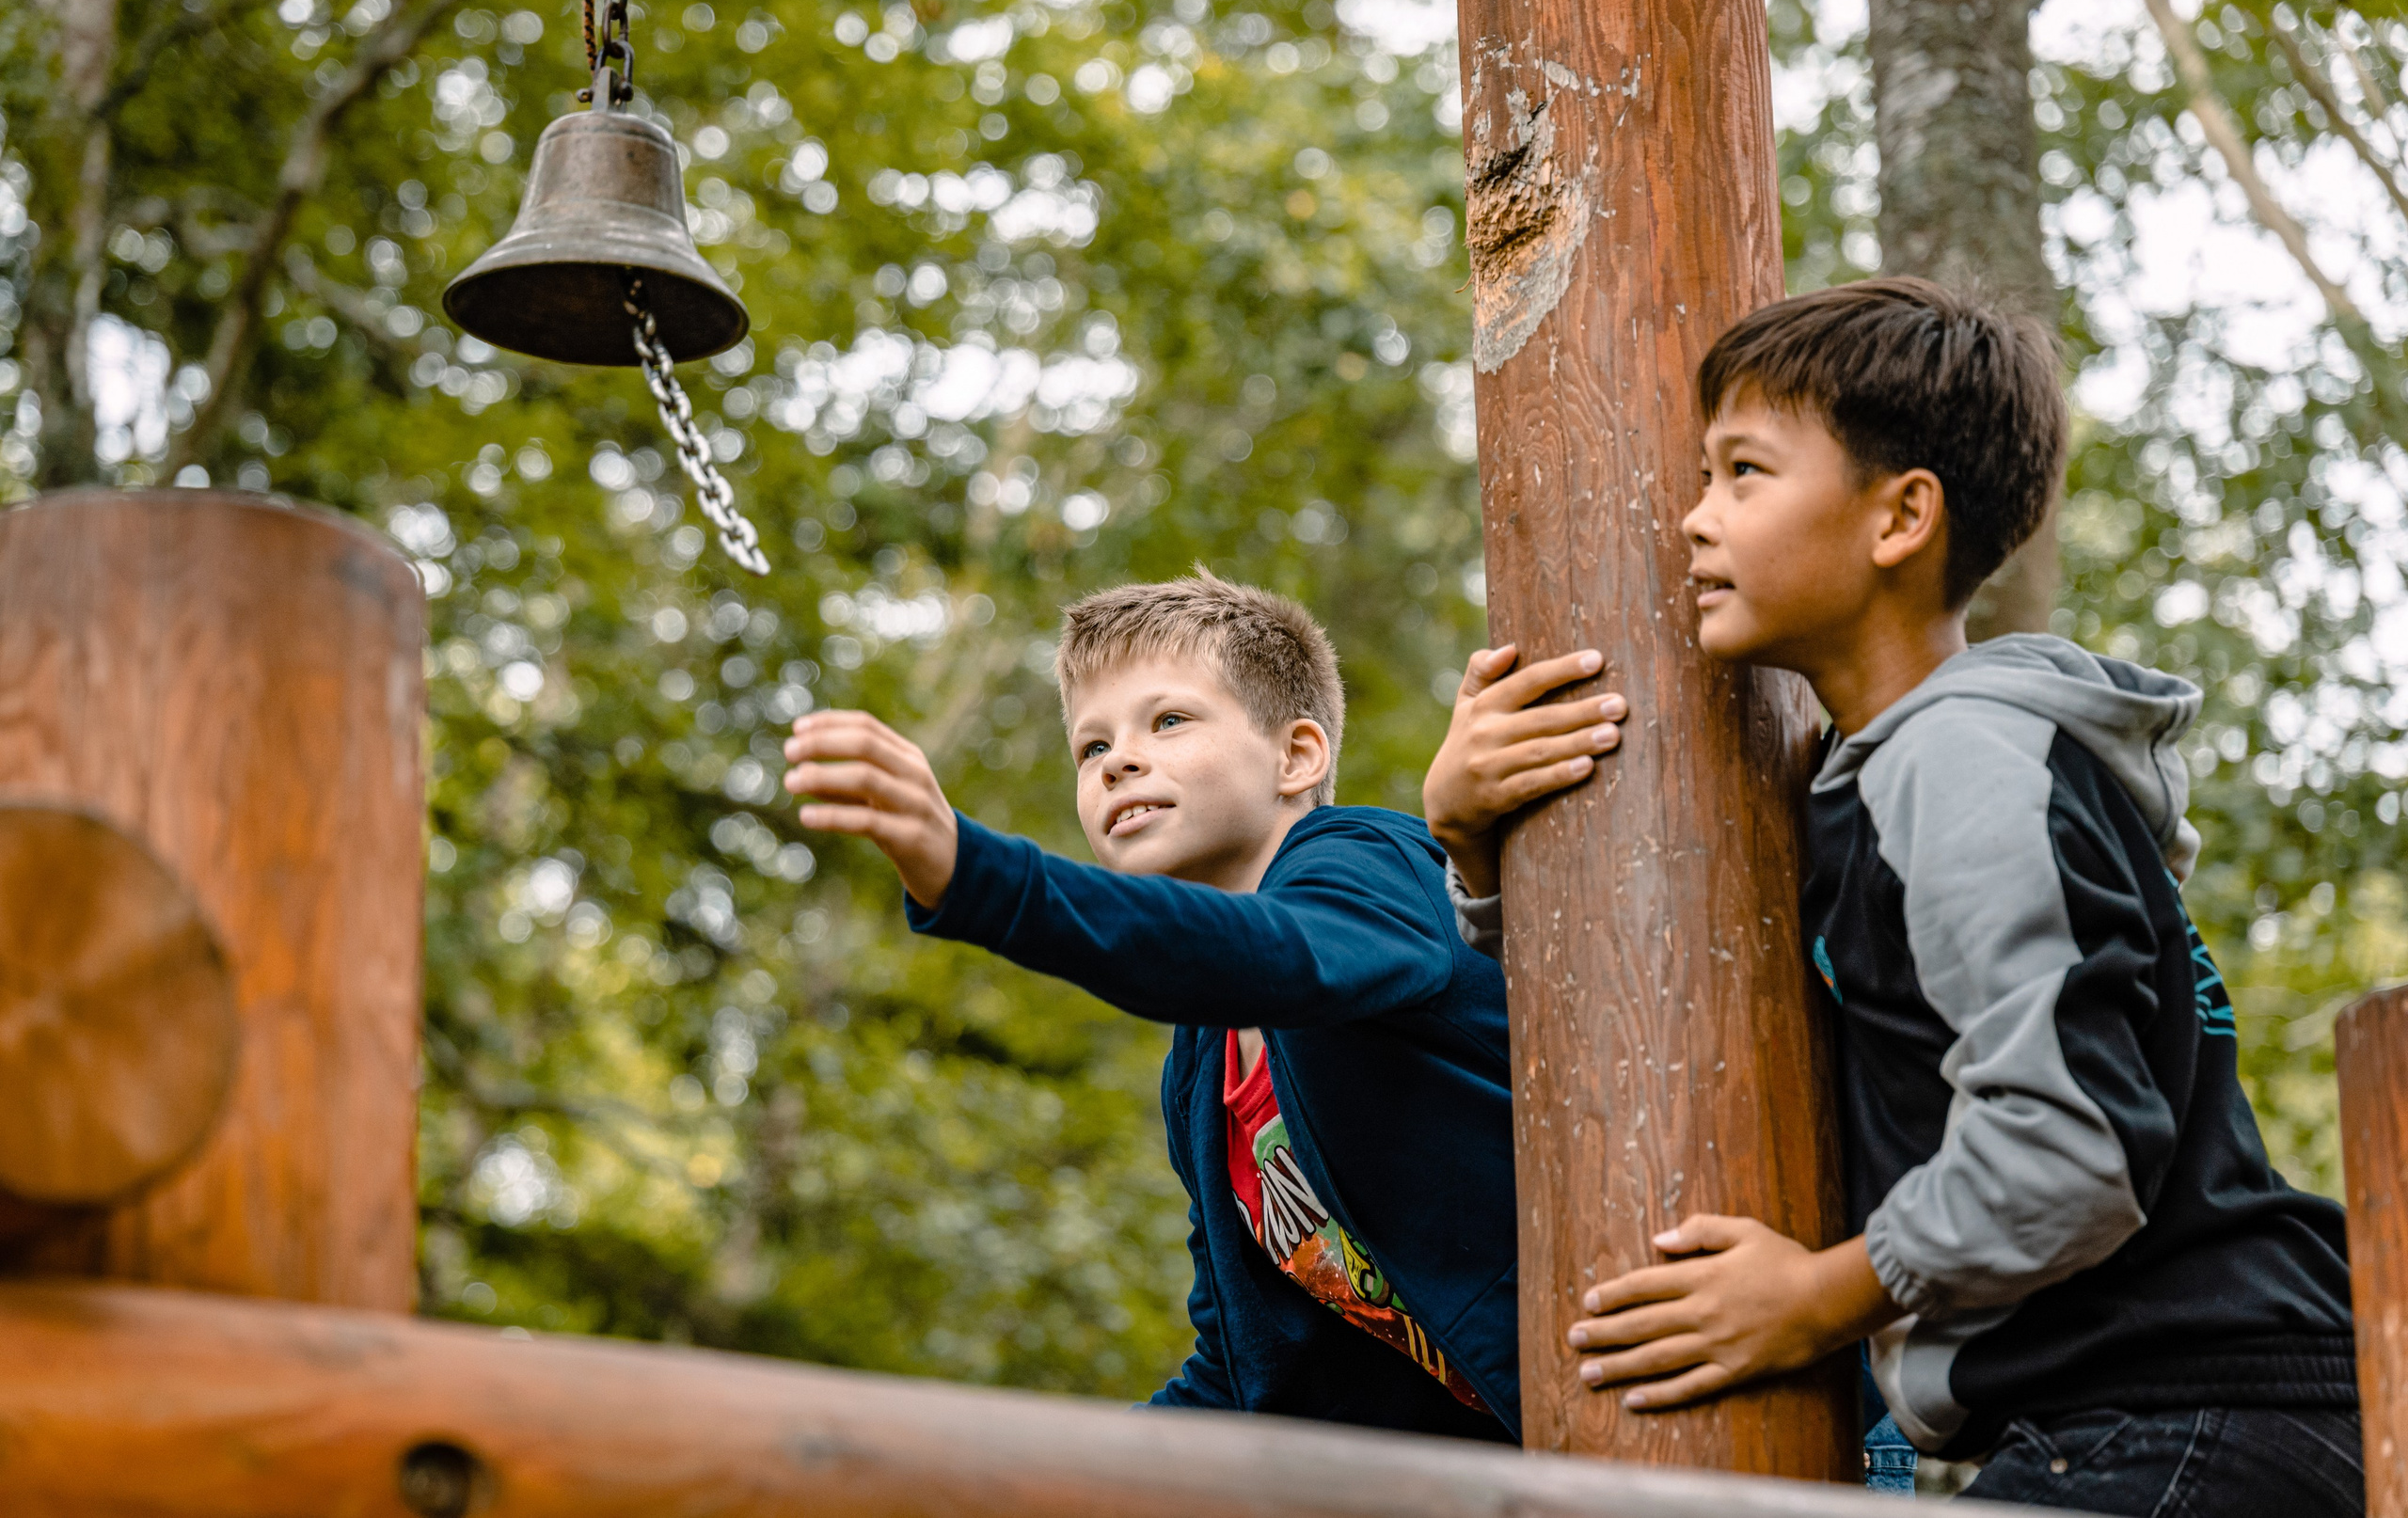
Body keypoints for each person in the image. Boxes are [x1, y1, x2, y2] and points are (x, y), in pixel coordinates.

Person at [1422, 277, 2363, 1513]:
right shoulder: (1865, 784)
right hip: (2133, 1416)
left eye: (1743, 472)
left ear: (1900, 516)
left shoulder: (1962, 758)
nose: (1693, 520)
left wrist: (1814, 1294)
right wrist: (1473, 841)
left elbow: (2073, 1142)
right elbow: (1646, 1008)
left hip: (2191, 1407)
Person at [783, 569, 1585, 1442]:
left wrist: (973, 872)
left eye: (1167, 721)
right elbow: (1246, 1368)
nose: (1119, 759)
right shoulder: (1205, 1067)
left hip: (1620, 1383)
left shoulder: (1367, 864)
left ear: (1297, 755)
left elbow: (1272, 955)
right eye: (1092, 748)